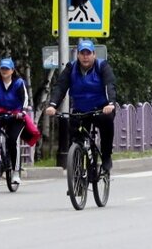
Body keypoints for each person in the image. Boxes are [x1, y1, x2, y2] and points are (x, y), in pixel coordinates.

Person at [43, 39, 118, 172]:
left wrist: (110, 103)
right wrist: (52, 105)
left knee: (107, 122)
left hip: (101, 109)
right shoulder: (71, 68)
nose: (85, 57)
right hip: (80, 109)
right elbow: (60, 87)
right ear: (77, 55)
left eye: (88, 53)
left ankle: (106, 156)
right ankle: (76, 170)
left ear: (94, 54)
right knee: (75, 134)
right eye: (82, 53)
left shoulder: (102, 66)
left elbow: (109, 85)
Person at [0, 57, 40, 182]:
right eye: (2, 69)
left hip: (16, 115)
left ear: (12, 70)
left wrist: (22, 111)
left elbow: (24, 99)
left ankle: (15, 172)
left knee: (12, 140)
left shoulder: (18, 83)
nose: (4, 71)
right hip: (1, 111)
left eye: (7, 69)